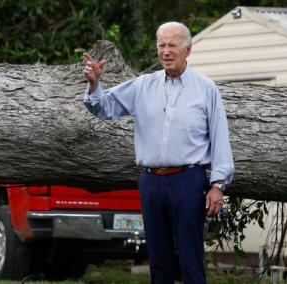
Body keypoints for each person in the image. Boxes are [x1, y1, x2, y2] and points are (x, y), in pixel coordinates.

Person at [82, 21, 234, 283]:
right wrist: (95, 85)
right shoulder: (142, 85)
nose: (166, 51)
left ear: (188, 50)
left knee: (190, 258)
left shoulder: (206, 88)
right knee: (159, 259)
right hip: (151, 181)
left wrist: (218, 184)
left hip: (188, 180)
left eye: (172, 45)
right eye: (161, 45)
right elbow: (104, 107)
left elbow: (220, 138)